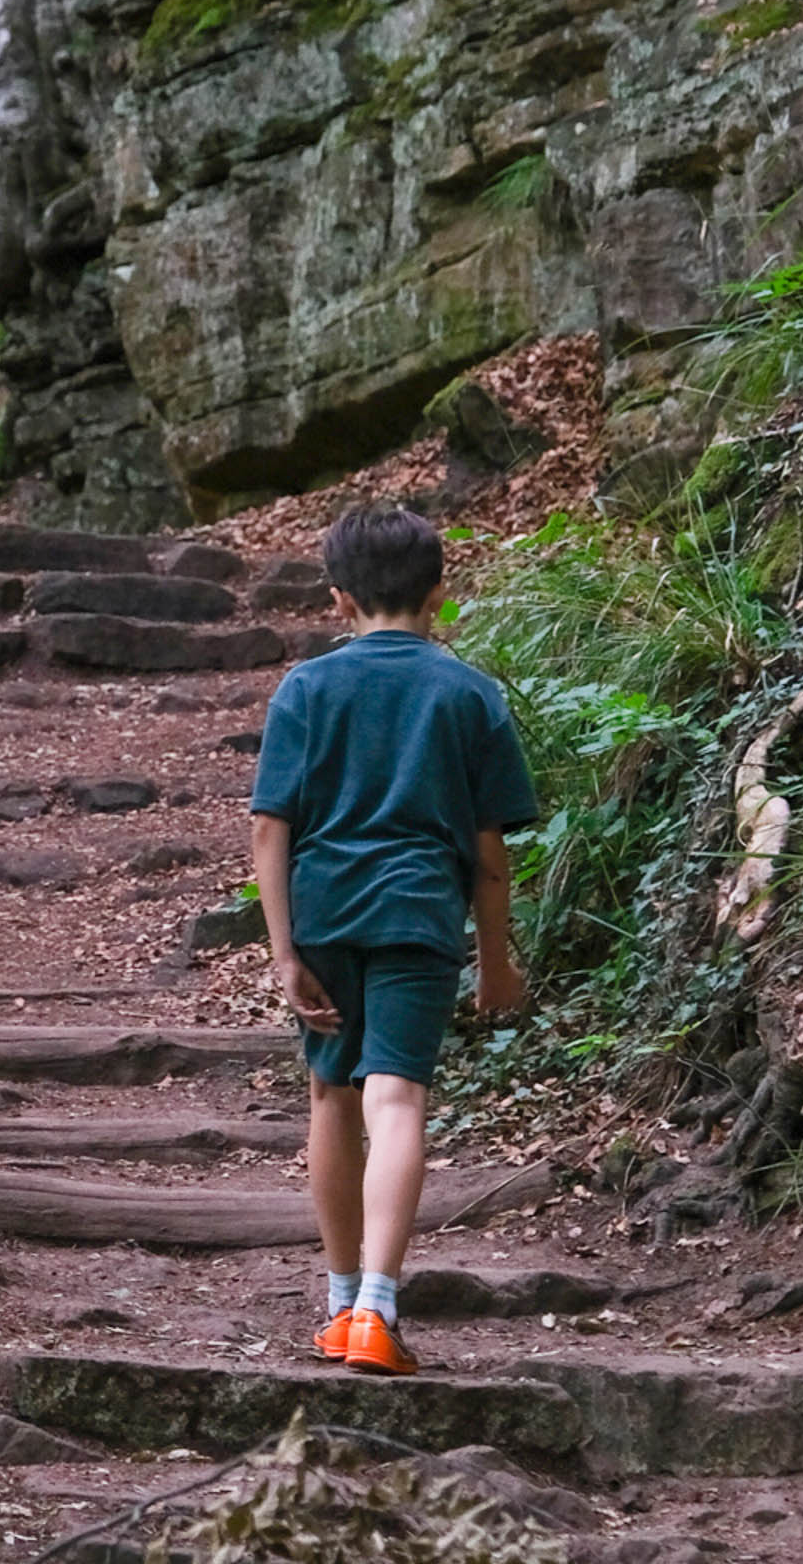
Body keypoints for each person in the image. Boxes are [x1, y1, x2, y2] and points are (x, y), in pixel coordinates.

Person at [249, 503, 537, 1376]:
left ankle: (340, 1305)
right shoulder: (467, 693)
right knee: (398, 1100)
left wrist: (284, 951)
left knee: (332, 1097)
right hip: (417, 914)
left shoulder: (305, 688)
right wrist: (496, 958)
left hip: (326, 912)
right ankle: (378, 1308)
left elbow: (271, 828)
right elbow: (489, 855)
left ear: (338, 599)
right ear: (440, 592)